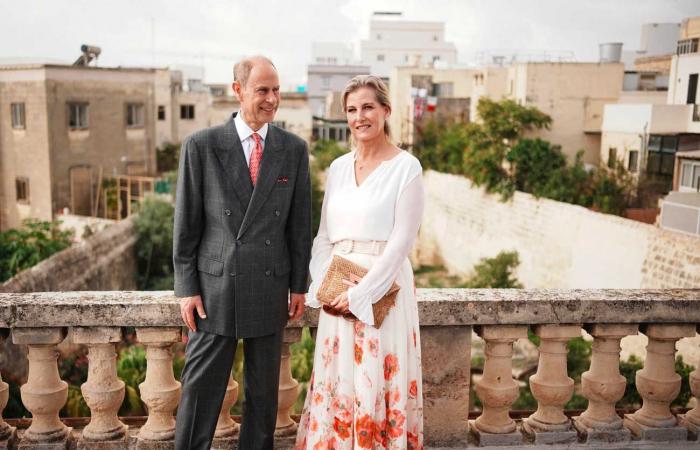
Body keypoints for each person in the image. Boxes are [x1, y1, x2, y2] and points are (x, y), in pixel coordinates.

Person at [173, 55, 312, 450]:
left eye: (277, 90)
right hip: (214, 290)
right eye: (262, 90)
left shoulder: (293, 149)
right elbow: (186, 225)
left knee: (264, 397)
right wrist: (186, 287)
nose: (272, 99)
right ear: (238, 90)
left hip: (271, 284)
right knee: (200, 394)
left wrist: (299, 285)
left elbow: (299, 225)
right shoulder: (201, 146)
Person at [294, 75, 425, 450]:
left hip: (384, 294)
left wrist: (361, 293)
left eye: (368, 107)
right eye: (351, 109)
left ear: (386, 110)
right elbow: (322, 237)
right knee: (340, 383)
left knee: (377, 381)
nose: (359, 116)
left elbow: (402, 241)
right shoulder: (336, 168)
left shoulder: (406, 168)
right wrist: (325, 287)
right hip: (336, 294)